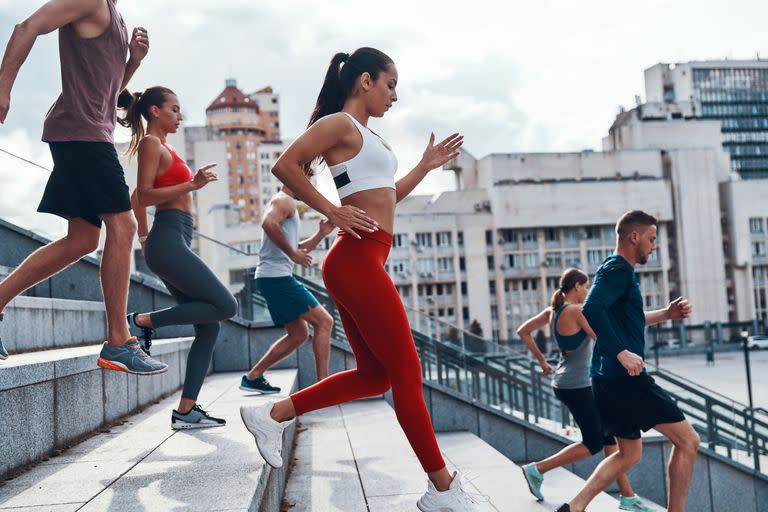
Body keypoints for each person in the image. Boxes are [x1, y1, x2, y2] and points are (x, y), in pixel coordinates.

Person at [238, 48, 482, 511]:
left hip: (363, 260)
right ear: (365, 81)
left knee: (376, 377)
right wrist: (330, 210)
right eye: (391, 85)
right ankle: (443, 489)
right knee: (409, 375)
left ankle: (273, 414)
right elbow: (284, 165)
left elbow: (387, 199)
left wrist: (425, 167)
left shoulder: (369, 137)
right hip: (355, 262)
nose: (395, 95)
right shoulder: (339, 124)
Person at [0, 0, 167, 375]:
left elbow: (106, 92)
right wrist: (3, 88)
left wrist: (134, 62)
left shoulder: (114, 14)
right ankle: (119, 341)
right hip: (82, 134)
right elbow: (25, 27)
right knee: (123, 226)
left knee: (82, 241)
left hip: (86, 132)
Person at [555, 210, 698, 512]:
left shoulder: (613, 270)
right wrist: (621, 352)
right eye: (652, 238)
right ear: (635, 237)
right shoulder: (618, 270)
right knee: (688, 441)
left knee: (629, 454)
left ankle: (575, 507)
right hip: (625, 380)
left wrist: (666, 315)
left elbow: (627, 321)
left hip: (607, 380)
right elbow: (590, 310)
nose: (654, 245)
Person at [123, 86, 238, 429]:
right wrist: (191, 186)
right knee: (227, 306)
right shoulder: (151, 143)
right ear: (155, 111)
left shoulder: (165, 147)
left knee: (209, 327)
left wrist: (145, 237)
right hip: (169, 239)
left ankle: (186, 411)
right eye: (174, 109)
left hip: (176, 239)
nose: (180, 115)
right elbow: (143, 194)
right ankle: (143, 321)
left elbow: (135, 197)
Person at [517, 268, 654, 512]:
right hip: (579, 385)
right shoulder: (576, 311)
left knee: (608, 437)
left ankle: (628, 496)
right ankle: (537, 469)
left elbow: (523, 331)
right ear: (577, 286)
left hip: (566, 382)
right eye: (587, 286)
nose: (588, 290)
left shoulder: (553, 312)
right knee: (593, 443)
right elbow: (604, 337)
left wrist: (542, 362)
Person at [239, 188, 335, 394]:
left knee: (299, 334)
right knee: (325, 321)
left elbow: (297, 247)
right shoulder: (284, 200)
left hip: (272, 278)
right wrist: (292, 253)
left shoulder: (286, 205)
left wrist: (321, 234)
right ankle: (323, 386)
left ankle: (253, 377)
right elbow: (268, 224)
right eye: (305, 177)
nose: (307, 185)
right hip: (277, 278)